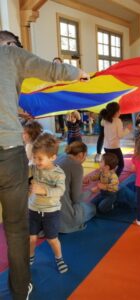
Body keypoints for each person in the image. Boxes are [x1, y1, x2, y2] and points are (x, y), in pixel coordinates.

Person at [0, 30, 88, 299]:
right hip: (7, 150)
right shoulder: (10, 52)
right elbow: (51, 69)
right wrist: (78, 73)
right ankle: (19, 290)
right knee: (15, 226)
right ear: (10, 44)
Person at [29, 133, 68, 274]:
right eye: (34, 157)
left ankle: (59, 258)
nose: (36, 161)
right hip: (33, 209)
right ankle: (30, 256)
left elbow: (61, 190)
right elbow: (25, 171)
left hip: (51, 211)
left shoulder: (58, 174)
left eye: (40, 159)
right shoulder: (34, 167)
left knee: (52, 239)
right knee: (31, 237)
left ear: (52, 157)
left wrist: (43, 190)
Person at [56, 141, 96, 233]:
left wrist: (79, 182)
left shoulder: (60, 158)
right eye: (86, 155)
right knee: (92, 208)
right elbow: (76, 199)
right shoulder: (76, 165)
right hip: (63, 216)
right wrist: (92, 191)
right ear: (81, 154)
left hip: (45, 213)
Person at [100, 102, 131, 176]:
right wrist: (128, 129)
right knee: (121, 165)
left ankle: (106, 177)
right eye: (119, 110)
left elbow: (102, 123)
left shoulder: (105, 120)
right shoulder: (118, 121)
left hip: (106, 147)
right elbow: (120, 135)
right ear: (116, 112)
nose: (120, 112)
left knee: (109, 165)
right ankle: (114, 179)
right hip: (115, 147)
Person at [52, 57, 66, 140]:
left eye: (58, 63)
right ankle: (63, 132)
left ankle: (72, 131)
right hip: (57, 98)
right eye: (54, 63)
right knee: (60, 116)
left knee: (70, 114)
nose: (56, 64)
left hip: (65, 96)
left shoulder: (64, 73)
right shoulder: (51, 74)